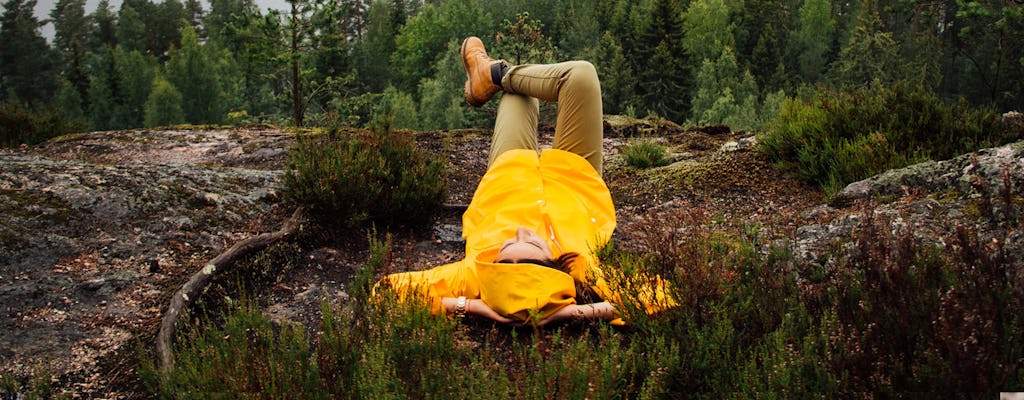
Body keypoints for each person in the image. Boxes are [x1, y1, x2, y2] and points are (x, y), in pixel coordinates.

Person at [377, 36, 672, 326]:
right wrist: (569, 313)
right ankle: (495, 72)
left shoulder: (476, 271)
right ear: (555, 264)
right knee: (581, 75)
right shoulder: (583, 268)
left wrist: (472, 306)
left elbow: (386, 294)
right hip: (576, 176)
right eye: (531, 241)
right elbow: (660, 299)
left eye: (508, 245)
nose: (520, 230)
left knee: (519, 95)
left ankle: (491, 75)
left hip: (509, 170)